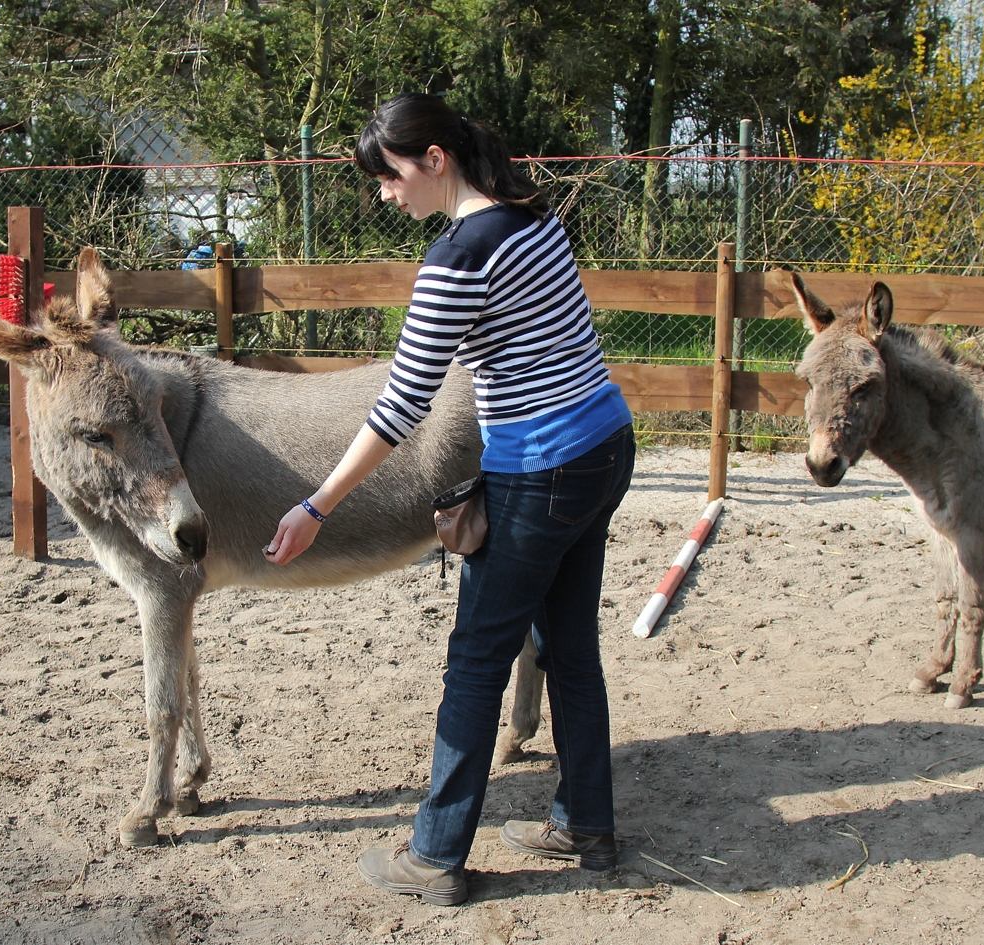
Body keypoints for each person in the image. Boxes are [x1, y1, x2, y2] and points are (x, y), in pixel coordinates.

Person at [265, 92, 635, 906]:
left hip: (542, 470)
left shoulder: (458, 256)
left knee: (474, 663)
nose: (386, 194)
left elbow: (401, 405)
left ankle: (434, 857)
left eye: (391, 176)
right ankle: (585, 822)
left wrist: (316, 504)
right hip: (604, 444)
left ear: (435, 159)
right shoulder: (533, 216)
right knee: (569, 646)